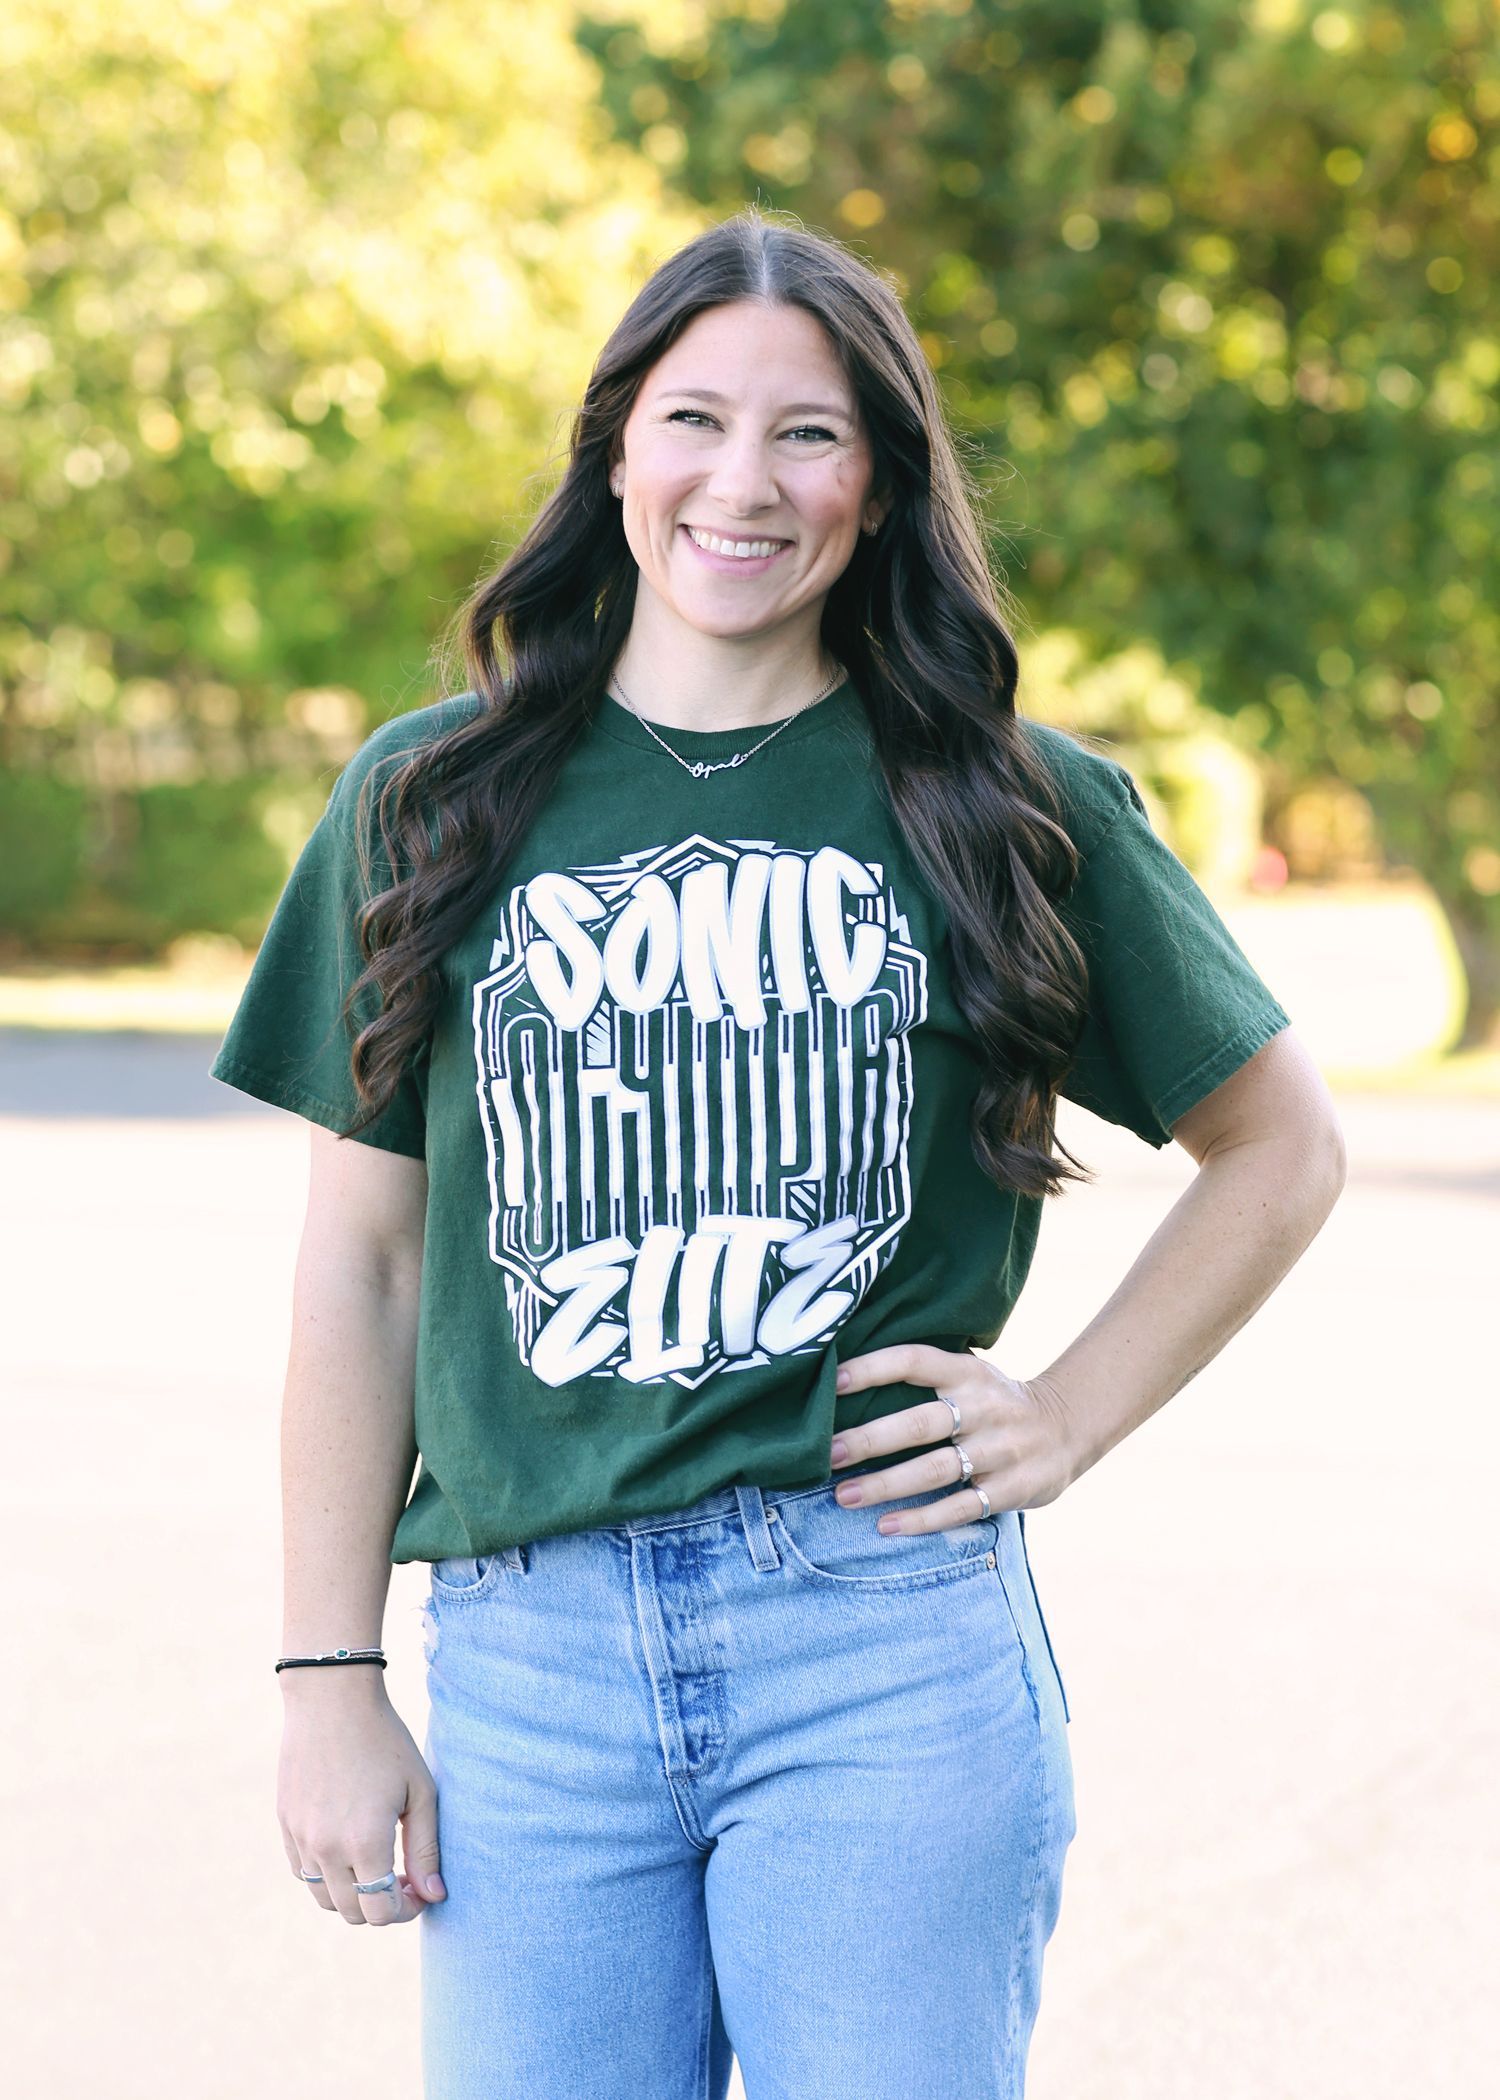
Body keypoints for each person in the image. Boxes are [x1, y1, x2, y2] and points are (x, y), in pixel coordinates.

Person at [211, 206, 1346, 2099]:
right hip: (533, 1663)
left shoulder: (1004, 801)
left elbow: (1281, 1145)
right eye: (694, 420)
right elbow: (369, 1266)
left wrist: (1065, 1418)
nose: (743, 482)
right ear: (616, 453)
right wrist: (328, 1679)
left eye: (809, 434)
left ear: (879, 487)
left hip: (880, 1641)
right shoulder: (429, 798)